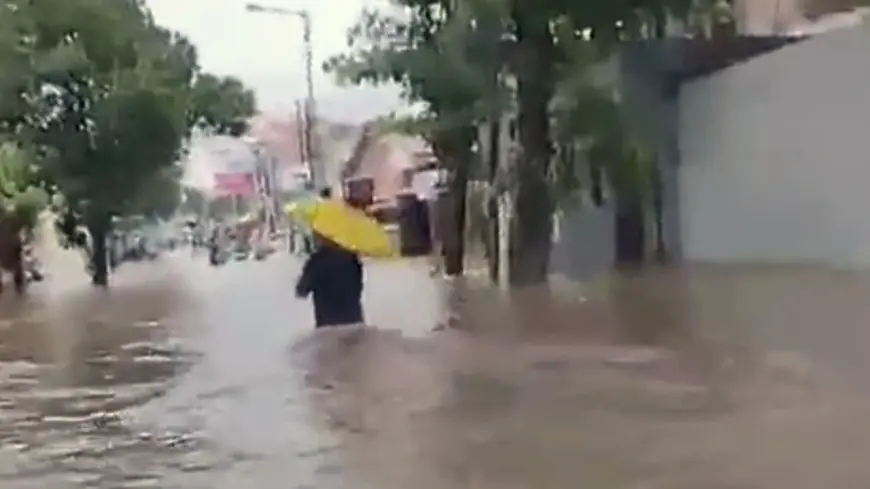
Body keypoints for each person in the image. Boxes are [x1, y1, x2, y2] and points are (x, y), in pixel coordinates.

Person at [295, 233, 365, 328]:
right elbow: (359, 287)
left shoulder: (317, 261)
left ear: (322, 239)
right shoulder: (351, 258)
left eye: (316, 236)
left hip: (328, 325)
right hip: (354, 322)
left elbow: (301, 291)